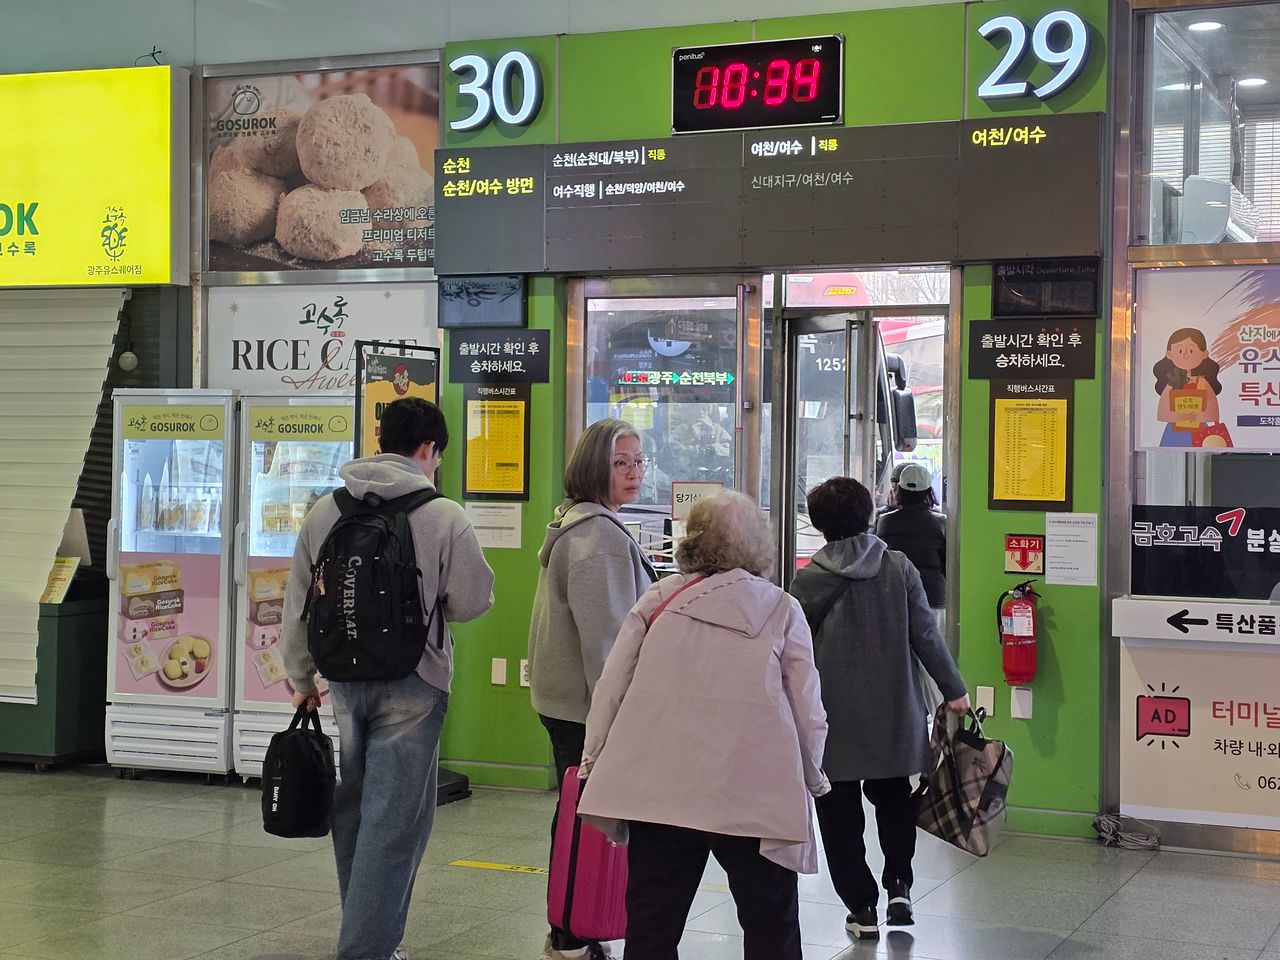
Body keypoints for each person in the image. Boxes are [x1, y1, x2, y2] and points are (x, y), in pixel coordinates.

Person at [281, 397, 495, 960]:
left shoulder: (324, 510)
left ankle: (368, 936)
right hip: (415, 680)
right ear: (428, 449)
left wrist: (301, 675)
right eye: (438, 455)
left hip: (343, 679)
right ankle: (366, 950)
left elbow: (299, 601)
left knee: (354, 806)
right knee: (394, 819)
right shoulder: (443, 514)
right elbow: (473, 600)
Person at [577, 491, 830, 960]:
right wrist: (812, 776)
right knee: (770, 923)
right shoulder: (780, 609)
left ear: (692, 539)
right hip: (753, 791)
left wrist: (593, 759)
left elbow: (610, 687)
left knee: (653, 924)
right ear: (757, 545)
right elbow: (807, 708)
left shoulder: (656, 602)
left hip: (660, 788)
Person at [790, 476, 968, 942]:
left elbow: (793, 652)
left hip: (833, 719)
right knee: (893, 800)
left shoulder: (807, 581)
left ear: (819, 524)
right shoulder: (899, 568)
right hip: (894, 709)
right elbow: (926, 636)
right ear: (869, 514)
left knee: (838, 809)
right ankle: (899, 885)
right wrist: (954, 690)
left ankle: (862, 906)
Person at [528, 418, 657, 960]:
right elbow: (606, 639)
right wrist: (619, 717)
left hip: (571, 701)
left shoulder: (584, 523)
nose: (632, 473)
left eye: (637, 461)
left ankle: (572, 925)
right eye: (619, 463)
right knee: (586, 814)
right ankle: (571, 931)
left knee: (579, 809)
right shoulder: (599, 536)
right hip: (587, 707)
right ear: (593, 468)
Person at [876, 461, 947, 635]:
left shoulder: (885, 522)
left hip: (896, 597)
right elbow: (948, 565)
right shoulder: (941, 523)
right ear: (928, 491)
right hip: (932, 597)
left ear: (899, 490)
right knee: (932, 648)